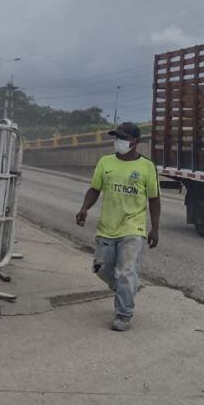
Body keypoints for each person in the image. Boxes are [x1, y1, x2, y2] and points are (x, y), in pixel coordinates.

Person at [75, 122, 161, 332]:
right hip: (107, 227)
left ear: (136, 141)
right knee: (101, 269)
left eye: (123, 138)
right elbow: (95, 189)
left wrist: (155, 228)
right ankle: (128, 289)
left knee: (125, 271)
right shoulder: (105, 162)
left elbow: (154, 199)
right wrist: (84, 208)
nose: (119, 141)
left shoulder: (147, 167)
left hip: (133, 228)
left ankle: (123, 314)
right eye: (117, 137)